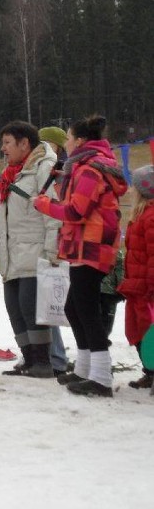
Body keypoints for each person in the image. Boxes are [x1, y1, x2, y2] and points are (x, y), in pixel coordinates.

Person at [33, 115, 127, 397]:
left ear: (81, 141)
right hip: (85, 244)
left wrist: (44, 204)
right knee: (75, 307)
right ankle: (86, 368)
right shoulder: (86, 168)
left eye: (70, 138)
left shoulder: (89, 170)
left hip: (92, 245)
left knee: (86, 309)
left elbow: (75, 211)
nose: (67, 143)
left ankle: (101, 376)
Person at [0, 121, 60, 378]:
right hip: (11, 254)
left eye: (7, 143)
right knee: (13, 306)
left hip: (35, 252)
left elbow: (53, 211)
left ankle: (43, 362)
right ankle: (28, 359)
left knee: (30, 306)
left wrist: (51, 251)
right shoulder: (9, 175)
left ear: (25, 143)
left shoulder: (43, 167)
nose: (3, 149)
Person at [117, 165, 154, 390]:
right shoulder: (141, 215)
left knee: (148, 329)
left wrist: (151, 286)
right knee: (137, 329)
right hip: (136, 285)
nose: (130, 189)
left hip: (147, 287)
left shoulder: (150, 217)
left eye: (134, 185)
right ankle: (149, 371)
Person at [38, 126, 71, 374]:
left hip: (62, 244)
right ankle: (52, 356)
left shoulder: (61, 174)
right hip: (52, 241)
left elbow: (59, 209)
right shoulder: (48, 170)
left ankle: (58, 357)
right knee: (47, 302)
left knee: (56, 302)